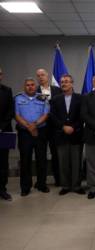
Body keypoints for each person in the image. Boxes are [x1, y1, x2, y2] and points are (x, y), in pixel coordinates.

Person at [50, 74, 85, 195]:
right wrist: (63, 127)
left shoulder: (80, 98)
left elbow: (83, 116)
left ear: (72, 83)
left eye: (66, 81)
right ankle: (65, 185)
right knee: (63, 162)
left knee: (76, 162)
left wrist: (73, 127)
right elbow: (52, 116)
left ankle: (76, 186)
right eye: (62, 82)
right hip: (61, 135)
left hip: (76, 135)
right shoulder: (55, 99)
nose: (63, 84)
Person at [15, 78, 49, 196]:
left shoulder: (43, 97)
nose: (30, 87)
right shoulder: (18, 98)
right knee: (25, 160)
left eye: (32, 85)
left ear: (36, 86)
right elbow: (17, 115)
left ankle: (42, 184)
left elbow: (46, 114)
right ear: (24, 87)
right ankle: (25, 187)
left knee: (41, 159)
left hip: (40, 132)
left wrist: (34, 125)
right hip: (24, 133)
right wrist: (29, 127)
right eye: (28, 85)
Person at [36, 69, 62, 186]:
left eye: (43, 75)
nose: (41, 77)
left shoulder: (57, 90)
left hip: (55, 127)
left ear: (47, 76)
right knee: (40, 155)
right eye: (38, 76)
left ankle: (59, 179)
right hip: (40, 127)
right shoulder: (34, 91)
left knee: (56, 154)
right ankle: (41, 182)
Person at [0, 67, 14, 201]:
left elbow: (10, 112)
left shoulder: (7, 90)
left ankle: (2, 189)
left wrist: (1, 127)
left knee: (3, 162)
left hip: (4, 132)